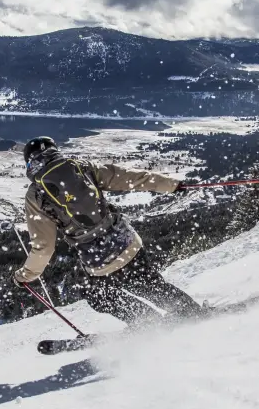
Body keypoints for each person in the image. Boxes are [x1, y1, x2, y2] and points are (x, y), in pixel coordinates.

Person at [12, 136, 203, 327]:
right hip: (127, 241)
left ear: (29, 162)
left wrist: (26, 275)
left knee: (97, 294)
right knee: (149, 285)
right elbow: (129, 177)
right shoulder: (82, 167)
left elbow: (44, 247)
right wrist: (171, 185)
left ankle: (148, 323)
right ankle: (192, 313)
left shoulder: (35, 195)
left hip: (98, 258)